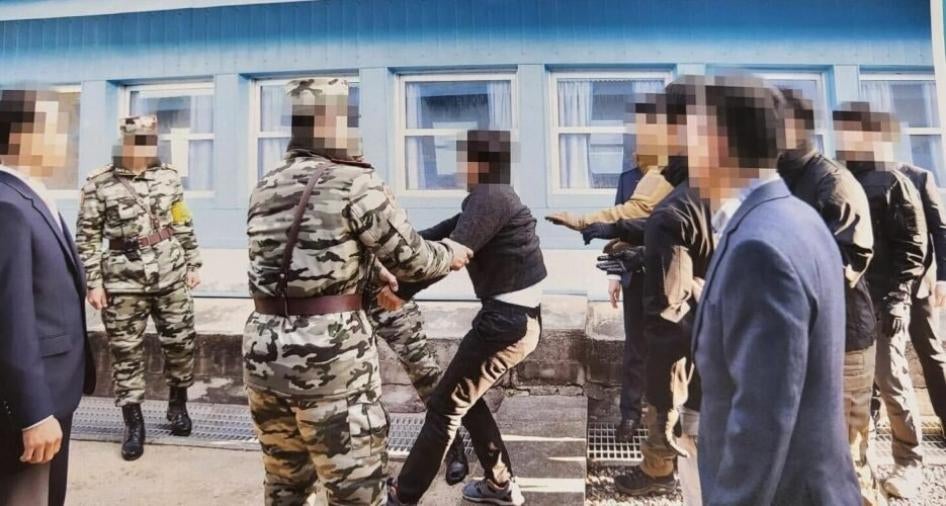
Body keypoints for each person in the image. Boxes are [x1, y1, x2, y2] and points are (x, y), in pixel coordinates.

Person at [244, 78, 470, 506]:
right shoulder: (355, 182)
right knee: (357, 492)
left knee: (285, 487)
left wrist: (369, 270)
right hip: (330, 359)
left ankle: (451, 444)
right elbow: (415, 259)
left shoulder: (265, 185)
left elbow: (295, 266)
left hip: (263, 357)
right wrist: (451, 252)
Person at [686, 75, 861, 505]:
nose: (685, 154)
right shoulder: (795, 215)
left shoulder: (759, 247)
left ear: (717, 142)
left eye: (691, 137)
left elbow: (761, 420)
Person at [388, 129, 546, 506]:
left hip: (507, 324)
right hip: (514, 321)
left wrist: (400, 292)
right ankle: (500, 485)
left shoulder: (491, 196)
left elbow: (452, 255)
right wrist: (389, 249)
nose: (459, 167)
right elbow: (434, 238)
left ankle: (402, 497)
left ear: (479, 163)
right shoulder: (490, 199)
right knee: (466, 400)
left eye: (463, 159)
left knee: (444, 408)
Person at [549, 95, 679, 441]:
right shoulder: (627, 178)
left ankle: (665, 420)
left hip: (667, 276)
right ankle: (630, 416)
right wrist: (614, 275)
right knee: (635, 348)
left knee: (667, 349)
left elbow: (663, 225)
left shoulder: (676, 176)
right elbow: (619, 221)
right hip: (634, 274)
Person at [76, 115, 203, 461]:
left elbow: (181, 220)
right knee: (125, 351)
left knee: (180, 343)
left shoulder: (168, 177)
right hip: (122, 280)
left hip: (170, 274)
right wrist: (94, 282)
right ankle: (133, 423)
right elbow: (87, 238)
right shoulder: (99, 184)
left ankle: (178, 404)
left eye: (149, 140)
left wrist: (193, 263)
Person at [777, 90, 881, 505]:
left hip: (844, 342)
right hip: (801, 336)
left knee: (846, 458)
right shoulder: (781, 179)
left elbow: (848, 262)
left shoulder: (834, 183)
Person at [0, 89, 96, 506]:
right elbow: (11, 318)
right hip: (31, 405)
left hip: (54, 390)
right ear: (23, 137)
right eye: (56, 130)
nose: (65, 141)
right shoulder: (8, 205)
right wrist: (34, 412)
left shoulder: (29, 194)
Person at [834, 101, 928, 499]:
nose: (843, 138)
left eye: (850, 130)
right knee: (855, 393)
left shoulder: (894, 182)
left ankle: (909, 462)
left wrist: (897, 300)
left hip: (884, 303)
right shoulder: (841, 180)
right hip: (851, 305)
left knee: (892, 384)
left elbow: (913, 247)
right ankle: (861, 464)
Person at [364, 267, 471, 484]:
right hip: (344, 300)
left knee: (425, 373)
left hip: (387, 291)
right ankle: (374, 470)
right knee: (360, 389)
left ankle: (452, 447)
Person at [895, 163, 946, 439]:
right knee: (880, 356)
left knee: (930, 352)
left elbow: (940, 230)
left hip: (920, 285)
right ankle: (879, 420)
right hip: (881, 285)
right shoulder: (861, 175)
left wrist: (943, 279)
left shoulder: (920, 177)